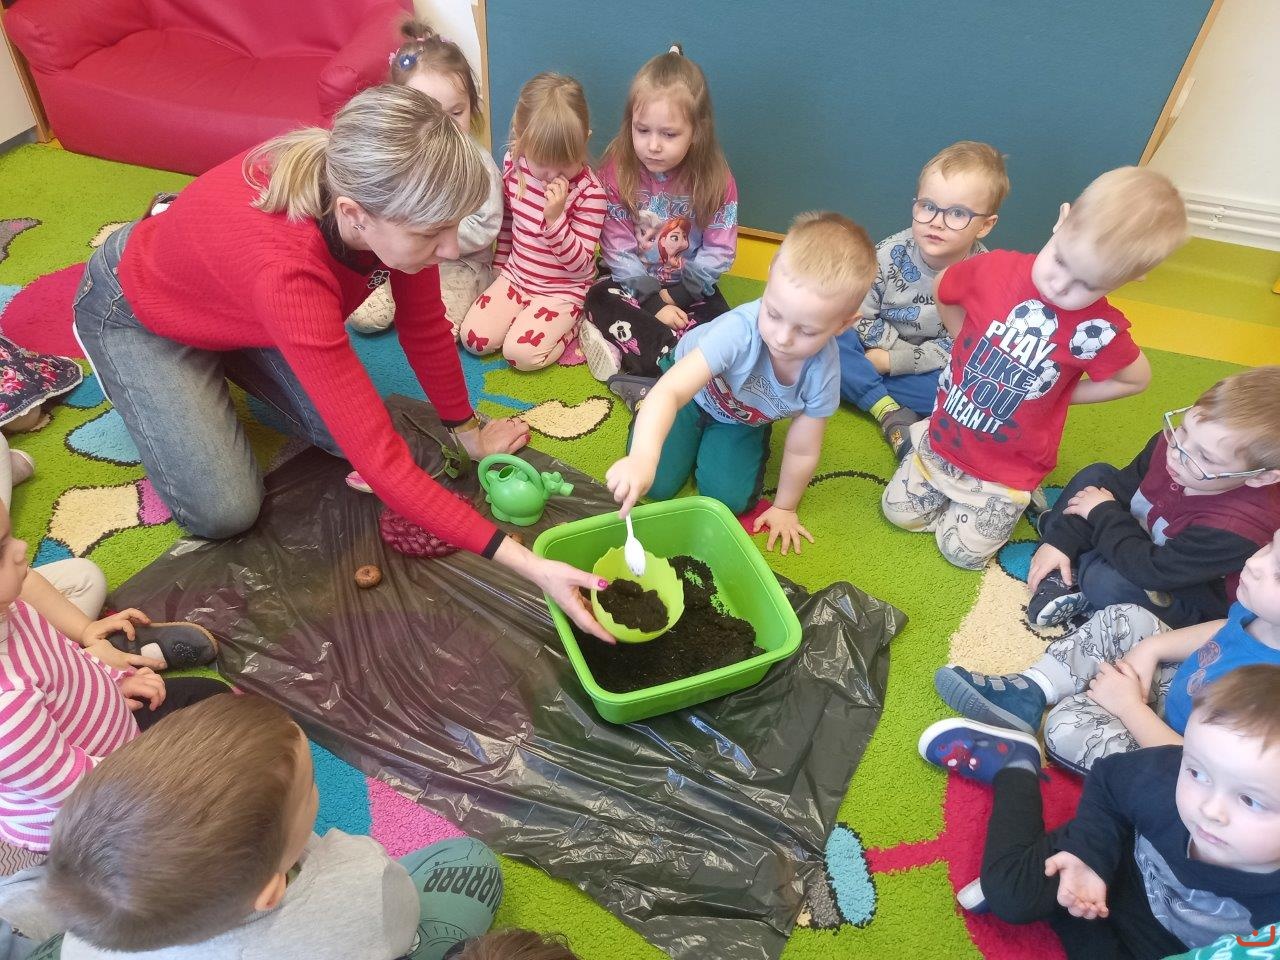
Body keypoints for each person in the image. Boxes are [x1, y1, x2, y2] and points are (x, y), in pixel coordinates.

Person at [70, 85, 611, 643]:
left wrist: (465, 431)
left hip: (241, 303)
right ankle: (137, 358)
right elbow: (381, 464)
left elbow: (424, 326)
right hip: (138, 310)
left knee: (343, 431)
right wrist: (532, 567)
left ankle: (231, 337)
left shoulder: (381, 184)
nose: (452, 250)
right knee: (225, 511)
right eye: (432, 234)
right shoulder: (289, 274)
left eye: (454, 226)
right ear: (355, 215)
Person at [882, 167, 1188, 569]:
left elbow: (1135, 379)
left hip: (1005, 471)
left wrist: (1062, 395)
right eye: (1060, 260)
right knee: (897, 513)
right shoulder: (996, 269)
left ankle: (1012, 500)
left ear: (1133, 278)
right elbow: (945, 287)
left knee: (961, 553)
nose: (1060, 286)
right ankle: (928, 451)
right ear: (1062, 219)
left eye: (1088, 284)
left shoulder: (1098, 330)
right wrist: (961, 341)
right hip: (944, 438)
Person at [45, 694, 501, 959]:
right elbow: (399, 927)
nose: (316, 792)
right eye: (309, 788)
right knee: (471, 862)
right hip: (358, 925)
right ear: (269, 893)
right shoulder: (358, 876)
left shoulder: (90, 932)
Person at [920, 665, 1280, 959]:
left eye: (1251, 800)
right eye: (1197, 773)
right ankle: (1014, 767)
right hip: (1112, 858)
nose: (1210, 809)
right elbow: (1109, 779)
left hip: (1155, 940)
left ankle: (1055, 901)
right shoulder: (1163, 784)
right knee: (1010, 894)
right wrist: (1089, 856)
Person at [605, 211, 875, 553]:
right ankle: (643, 390)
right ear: (771, 275)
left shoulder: (824, 372)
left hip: (743, 416)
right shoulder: (738, 330)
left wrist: (785, 507)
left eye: (806, 331)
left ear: (843, 324)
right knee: (654, 483)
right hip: (690, 390)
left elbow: (803, 448)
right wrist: (642, 459)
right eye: (773, 313)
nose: (782, 338)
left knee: (728, 502)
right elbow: (672, 392)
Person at [937, 527, 1280, 772]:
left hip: (1179, 754)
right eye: (1269, 546)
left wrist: (1129, 708)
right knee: (1128, 618)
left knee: (1066, 725)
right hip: (1185, 690)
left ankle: (1025, 762)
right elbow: (1225, 629)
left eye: (1278, 573)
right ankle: (1031, 690)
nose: (1254, 563)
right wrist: (1152, 648)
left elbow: (1201, 766)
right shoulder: (1261, 611)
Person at [0, 500, 224, 858]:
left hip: (109, 728)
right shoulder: (9, 710)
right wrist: (166, 775)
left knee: (216, 700)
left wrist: (113, 680)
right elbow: (82, 791)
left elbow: (60, 655)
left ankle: (111, 650)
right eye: (1, 549)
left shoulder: (8, 606)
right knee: (188, 840)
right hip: (91, 813)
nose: (22, 547)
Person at [1025, 366, 1280, 628]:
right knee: (1097, 475)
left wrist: (1099, 515)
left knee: (1107, 583)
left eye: (1205, 457)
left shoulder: (1236, 528)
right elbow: (1120, 488)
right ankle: (1066, 546)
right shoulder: (1173, 445)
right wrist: (1061, 541)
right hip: (1142, 542)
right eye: (1184, 429)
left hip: (1175, 584)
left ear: (1261, 478)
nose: (1177, 452)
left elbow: (1152, 572)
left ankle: (1076, 565)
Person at [577, 45, 738, 389]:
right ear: (630, 124)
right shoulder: (617, 170)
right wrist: (652, 302)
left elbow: (719, 251)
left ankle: (640, 359)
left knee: (729, 336)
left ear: (697, 130)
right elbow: (616, 247)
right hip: (629, 283)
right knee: (598, 297)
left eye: (669, 134)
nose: (653, 145)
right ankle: (672, 366)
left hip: (691, 287)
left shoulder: (716, 179)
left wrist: (678, 296)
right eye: (642, 130)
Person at [837, 141, 1007, 458]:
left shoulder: (986, 277)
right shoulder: (888, 255)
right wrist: (885, 354)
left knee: (982, 387)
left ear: (985, 225)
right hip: (870, 347)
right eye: (928, 207)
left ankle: (864, 390)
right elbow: (860, 316)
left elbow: (964, 344)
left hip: (929, 367)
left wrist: (895, 363)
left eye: (958, 213)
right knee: (829, 338)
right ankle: (887, 409)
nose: (937, 221)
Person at [347, 19, 503, 337]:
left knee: (439, 325)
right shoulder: (398, 160)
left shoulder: (479, 165)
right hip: (408, 256)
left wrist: (434, 238)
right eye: (429, 114)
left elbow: (486, 226)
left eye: (456, 112)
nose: (445, 127)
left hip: (461, 262)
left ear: (472, 106)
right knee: (365, 316)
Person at [458, 73, 606, 371]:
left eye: (566, 162)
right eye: (542, 163)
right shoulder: (515, 165)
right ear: (520, 138)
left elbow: (580, 266)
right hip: (517, 276)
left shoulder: (591, 193)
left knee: (521, 355)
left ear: (585, 140)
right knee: (473, 340)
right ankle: (525, 317)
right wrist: (499, 269)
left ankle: (577, 324)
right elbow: (508, 222)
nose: (553, 175)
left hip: (562, 290)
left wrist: (555, 221)